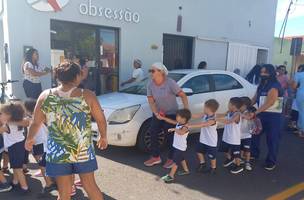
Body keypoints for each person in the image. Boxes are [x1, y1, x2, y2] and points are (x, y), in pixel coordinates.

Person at [25, 62, 108, 200]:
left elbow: (35, 122)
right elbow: (100, 119)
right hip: (82, 151)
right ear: (76, 76)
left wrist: (29, 138)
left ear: (58, 77)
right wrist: (103, 136)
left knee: (64, 192)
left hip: (58, 152)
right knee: (90, 186)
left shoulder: (46, 95)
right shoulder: (87, 95)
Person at [144, 62, 189, 168]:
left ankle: (171, 158)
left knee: (170, 137)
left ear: (161, 72)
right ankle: (155, 157)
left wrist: (186, 112)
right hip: (158, 113)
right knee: (153, 133)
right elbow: (151, 101)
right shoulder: (150, 84)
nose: (151, 73)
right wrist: (156, 113)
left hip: (171, 114)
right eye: (150, 71)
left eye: (153, 71)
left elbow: (183, 95)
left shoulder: (170, 83)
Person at [251, 64, 284, 171]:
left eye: (265, 72)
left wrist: (255, 112)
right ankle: (254, 154)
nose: (262, 74)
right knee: (255, 135)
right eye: (261, 72)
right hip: (262, 116)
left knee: (272, 140)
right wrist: (246, 107)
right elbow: (255, 99)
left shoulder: (274, 85)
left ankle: (271, 161)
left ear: (271, 73)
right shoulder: (262, 85)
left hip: (273, 118)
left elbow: (270, 102)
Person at [24, 99, 57, 196]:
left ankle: (49, 183)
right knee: (44, 164)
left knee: (42, 165)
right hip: (40, 143)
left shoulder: (33, 118)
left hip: (40, 143)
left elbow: (36, 132)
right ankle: (52, 181)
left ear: (27, 109)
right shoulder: (40, 116)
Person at [0, 103, 29, 194]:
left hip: (15, 147)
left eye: (2, 113)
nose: (1, 115)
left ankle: (24, 188)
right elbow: (28, 121)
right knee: (16, 166)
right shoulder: (18, 122)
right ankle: (15, 182)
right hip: (19, 145)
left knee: (17, 168)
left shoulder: (7, 125)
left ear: (9, 115)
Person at [158, 109, 192, 183]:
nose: (176, 117)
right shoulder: (179, 123)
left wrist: (174, 129)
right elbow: (172, 121)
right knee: (181, 159)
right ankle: (186, 170)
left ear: (183, 118)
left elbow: (181, 132)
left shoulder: (185, 127)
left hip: (180, 147)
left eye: (178, 116)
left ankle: (171, 176)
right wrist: (163, 118)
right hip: (177, 146)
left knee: (176, 162)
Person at [188, 99, 219, 174]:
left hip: (211, 141)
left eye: (204, 107)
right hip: (203, 139)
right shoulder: (205, 114)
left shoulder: (213, 119)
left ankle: (213, 168)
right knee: (199, 151)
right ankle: (202, 163)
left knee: (212, 156)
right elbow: (195, 116)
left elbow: (203, 124)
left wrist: (190, 126)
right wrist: (186, 115)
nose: (203, 108)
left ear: (209, 109)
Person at [218, 97, 243, 174]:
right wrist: (213, 115)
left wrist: (216, 119)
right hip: (226, 136)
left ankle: (238, 166)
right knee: (224, 149)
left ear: (233, 106)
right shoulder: (229, 112)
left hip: (234, 138)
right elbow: (222, 115)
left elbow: (229, 121)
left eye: (229, 103)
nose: (228, 105)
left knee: (236, 154)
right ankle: (230, 159)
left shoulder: (237, 114)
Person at [239, 97, 254, 171]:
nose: (238, 106)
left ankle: (247, 162)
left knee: (247, 150)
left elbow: (250, 117)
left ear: (245, 106)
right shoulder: (238, 112)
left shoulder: (249, 112)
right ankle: (241, 159)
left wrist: (242, 115)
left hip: (247, 135)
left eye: (239, 105)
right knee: (240, 148)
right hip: (238, 135)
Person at [291, 64, 304, 137]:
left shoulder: (298, 74)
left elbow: (294, 86)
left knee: (301, 112)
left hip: (301, 94)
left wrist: (297, 89)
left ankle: (301, 130)